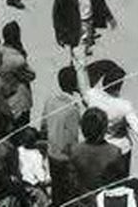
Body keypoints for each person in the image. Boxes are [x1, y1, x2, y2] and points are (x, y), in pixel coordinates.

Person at [41, 65, 82, 203]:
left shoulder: (50, 101)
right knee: (69, 193)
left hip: (52, 153)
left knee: (57, 190)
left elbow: (43, 127)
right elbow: (72, 137)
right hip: (65, 157)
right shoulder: (73, 107)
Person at [69, 107, 122, 207]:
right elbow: (117, 182)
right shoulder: (114, 152)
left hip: (81, 201)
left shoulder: (74, 150)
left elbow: (72, 181)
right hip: (104, 201)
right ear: (104, 129)